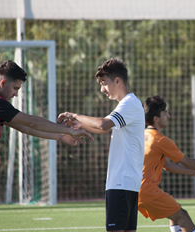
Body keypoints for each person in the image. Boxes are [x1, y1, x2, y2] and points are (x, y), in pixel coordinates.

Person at [0, 60, 94, 232]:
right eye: (15, 89)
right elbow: (31, 122)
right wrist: (70, 131)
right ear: (3, 82)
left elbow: (23, 127)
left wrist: (60, 136)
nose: (16, 95)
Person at [57, 58, 145, 232]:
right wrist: (80, 126)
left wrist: (75, 115)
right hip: (128, 183)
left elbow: (103, 124)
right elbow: (104, 128)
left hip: (121, 182)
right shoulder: (130, 104)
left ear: (118, 81)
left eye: (104, 83)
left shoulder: (129, 103)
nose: (102, 89)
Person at [138, 95, 195, 232]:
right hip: (147, 191)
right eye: (165, 113)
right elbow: (188, 162)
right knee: (183, 216)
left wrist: (194, 173)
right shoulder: (160, 140)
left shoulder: (142, 135)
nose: (168, 116)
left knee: (174, 215)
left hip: (135, 190)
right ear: (156, 119)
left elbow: (167, 166)